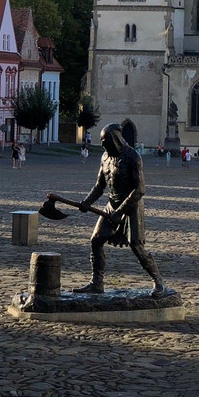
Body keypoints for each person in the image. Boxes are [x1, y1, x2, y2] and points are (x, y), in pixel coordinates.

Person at [58, 123, 165, 296]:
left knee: (137, 246)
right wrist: (87, 202)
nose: (102, 144)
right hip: (111, 206)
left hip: (131, 207)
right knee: (96, 241)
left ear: (115, 139)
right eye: (101, 141)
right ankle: (96, 283)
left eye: (105, 140)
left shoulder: (133, 157)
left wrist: (120, 211)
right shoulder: (104, 158)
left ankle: (158, 281)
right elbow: (100, 186)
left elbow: (139, 190)